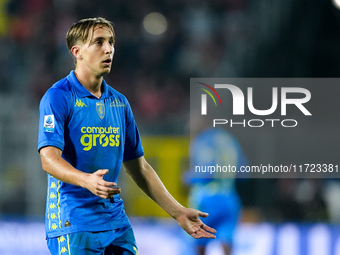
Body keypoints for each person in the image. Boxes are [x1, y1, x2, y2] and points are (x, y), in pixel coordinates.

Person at [38, 17, 216, 255]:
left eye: (111, 42)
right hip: (73, 223)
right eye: (98, 42)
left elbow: (139, 167)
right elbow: (48, 159)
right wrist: (87, 180)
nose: (108, 48)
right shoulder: (58, 97)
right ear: (77, 51)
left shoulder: (119, 103)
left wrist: (178, 211)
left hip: (116, 222)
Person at [187, 127, 248, 255]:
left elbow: (203, 171)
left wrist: (187, 177)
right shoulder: (231, 141)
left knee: (199, 239)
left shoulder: (202, 141)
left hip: (205, 198)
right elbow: (243, 172)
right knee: (227, 239)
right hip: (228, 196)